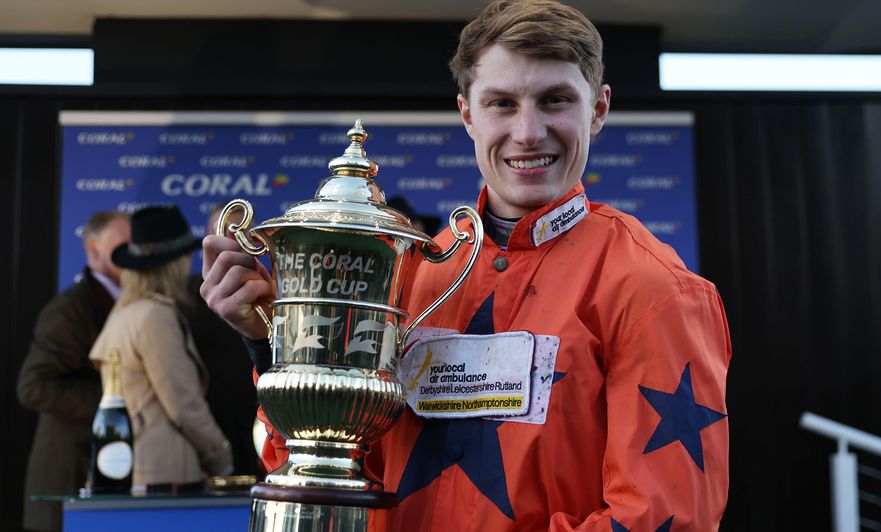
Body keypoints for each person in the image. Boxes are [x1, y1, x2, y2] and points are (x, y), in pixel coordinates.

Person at [200, 1, 731, 530]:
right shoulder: (407, 275)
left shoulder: (656, 289)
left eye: (555, 100)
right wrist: (269, 341)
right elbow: (324, 473)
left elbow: (663, 518)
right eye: (502, 103)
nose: (528, 131)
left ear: (597, 109)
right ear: (467, 114)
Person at [89, 205, 233, 492]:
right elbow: (183, 405)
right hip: (163, 476)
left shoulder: (123, 312)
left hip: (133, 470)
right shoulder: (155, 315)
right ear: (177, 263)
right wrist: (222, 459)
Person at [17, 210, 130, 532]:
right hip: (66, 482)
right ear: (94, 248)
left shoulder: (124, 301)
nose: (132, 253)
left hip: (101, 479)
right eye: (123, 245)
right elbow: (33, 387)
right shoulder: (69, 309)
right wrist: (115, 401)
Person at [178, 201, 261, 477]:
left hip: (257, 425)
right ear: (207, 238)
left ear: (254, 240)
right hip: (207, 429)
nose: (230, 240)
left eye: (239, 232)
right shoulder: (186, 297)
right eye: (221, 231)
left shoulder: (270, 291)